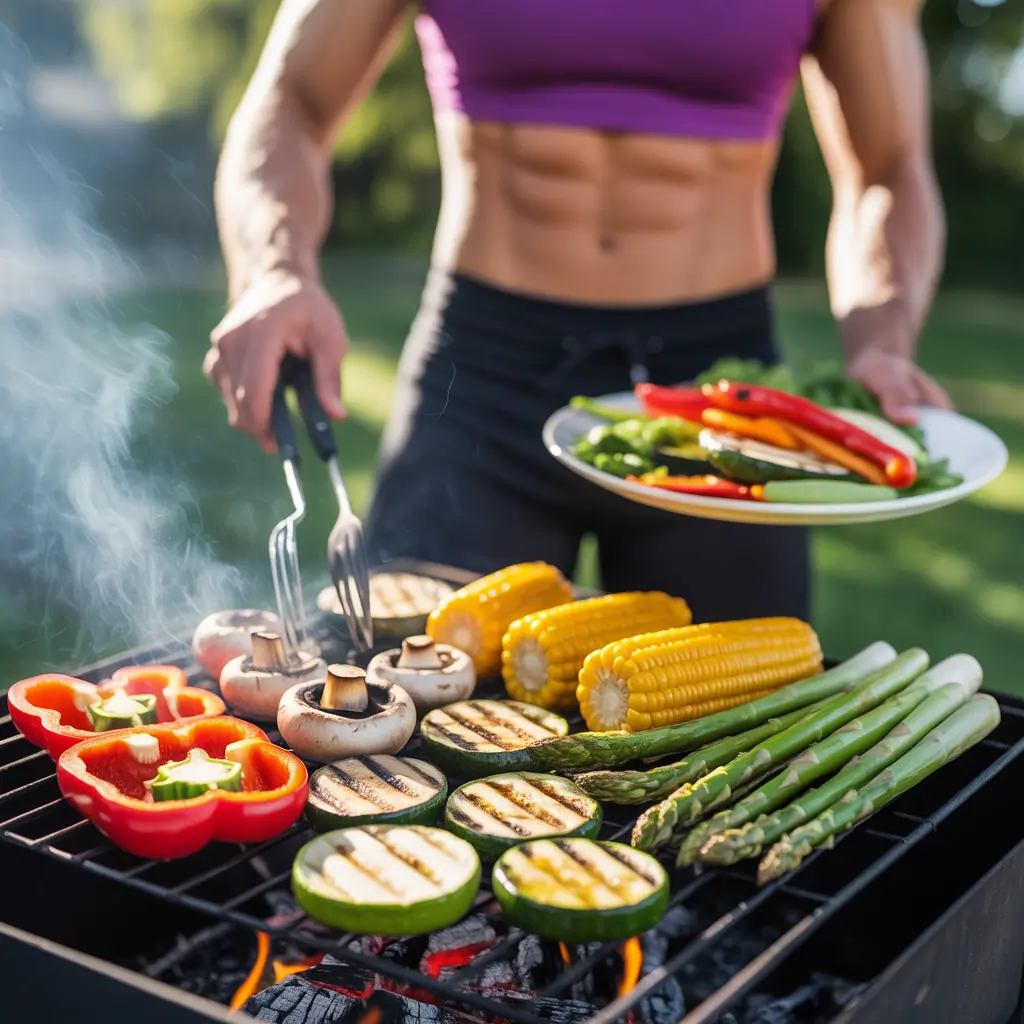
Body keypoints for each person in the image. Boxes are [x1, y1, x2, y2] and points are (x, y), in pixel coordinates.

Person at [205, 0, 952, 624]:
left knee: (739, 764)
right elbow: (289, 101)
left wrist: (882, 340)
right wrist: (274, 271)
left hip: (723, 399)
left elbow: (890, 165)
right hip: (483, 377)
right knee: (406, 716)